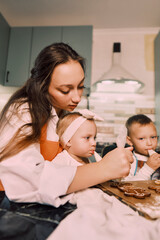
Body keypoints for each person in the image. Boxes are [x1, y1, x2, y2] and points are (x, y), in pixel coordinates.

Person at [0, 42, 133, 207]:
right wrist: (103, 169)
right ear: (43, 86)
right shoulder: (22, 111)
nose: (77, 97)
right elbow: (26, 182)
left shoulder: (61, 113)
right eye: (65, 90)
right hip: (12, 207)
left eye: (80, 86)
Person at [123, 114, 160, 181]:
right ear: (130, 141)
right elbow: (127, 186)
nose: (149, 143)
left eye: (153, 137)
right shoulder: (127, 162)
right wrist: (148, 168)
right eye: (141, 138)